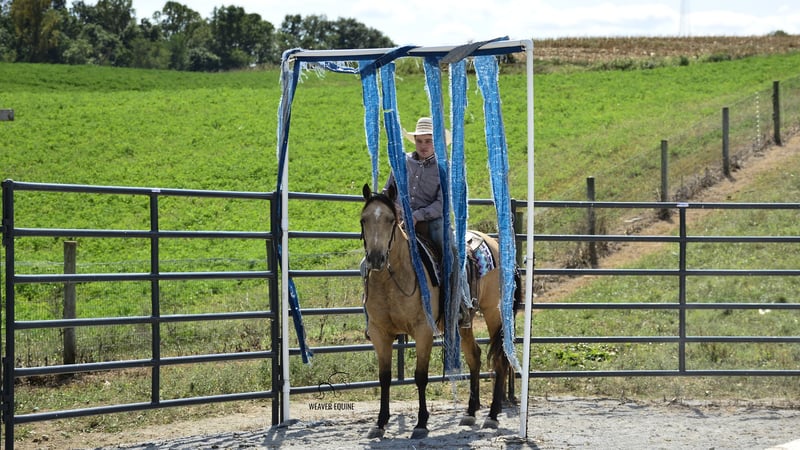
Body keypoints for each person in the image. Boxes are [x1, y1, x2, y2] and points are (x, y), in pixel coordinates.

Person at [383, 116, 451, 251]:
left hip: (430, 221)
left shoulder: (444, 168)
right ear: (414, 141)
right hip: (399, 218)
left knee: (448, 246)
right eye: (419, 141)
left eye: (428, 141)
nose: (423, 146)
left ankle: (456, 265)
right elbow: (388, 191)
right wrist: (391, 206)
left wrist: (416, 216)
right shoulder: (402, 162)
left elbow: (442, 203)